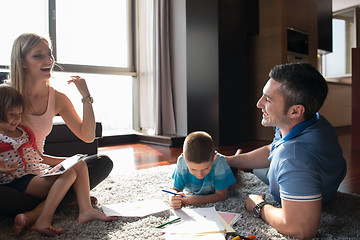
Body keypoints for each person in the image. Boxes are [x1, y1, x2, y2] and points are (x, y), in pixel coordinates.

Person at [3, 32, 114, 235]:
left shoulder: (58, 98)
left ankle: (34, 213)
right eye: (38, 56)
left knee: (101, 163)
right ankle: (66, 199)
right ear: (23, 62)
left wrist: (86, 96)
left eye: (49, 54)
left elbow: (88, 136)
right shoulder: (6, 96)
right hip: (11, 178)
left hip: (40, 171)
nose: (48, 60)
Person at [226, 63, 347, 239]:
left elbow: (302, 229)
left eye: (267, 99)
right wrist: (230, 160)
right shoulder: (309, 120)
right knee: (258, 169)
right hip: (318, 176)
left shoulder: (294, 157)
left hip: (311, 191)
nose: (259, 104)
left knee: (264, 170)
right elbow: (272, 149)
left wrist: (259, 206)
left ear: (295, 110)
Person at [170, 131, 236, 209]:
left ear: (214, 157)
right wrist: (172, 197)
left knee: (234, 167)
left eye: (206, 168)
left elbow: (221, 195)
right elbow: (176, 189)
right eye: (193, 169)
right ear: (184, 158)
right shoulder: (181, 162)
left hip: (226, 167)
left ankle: (236, 155)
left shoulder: (219, 162)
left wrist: (190, 200)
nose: (199, 175)